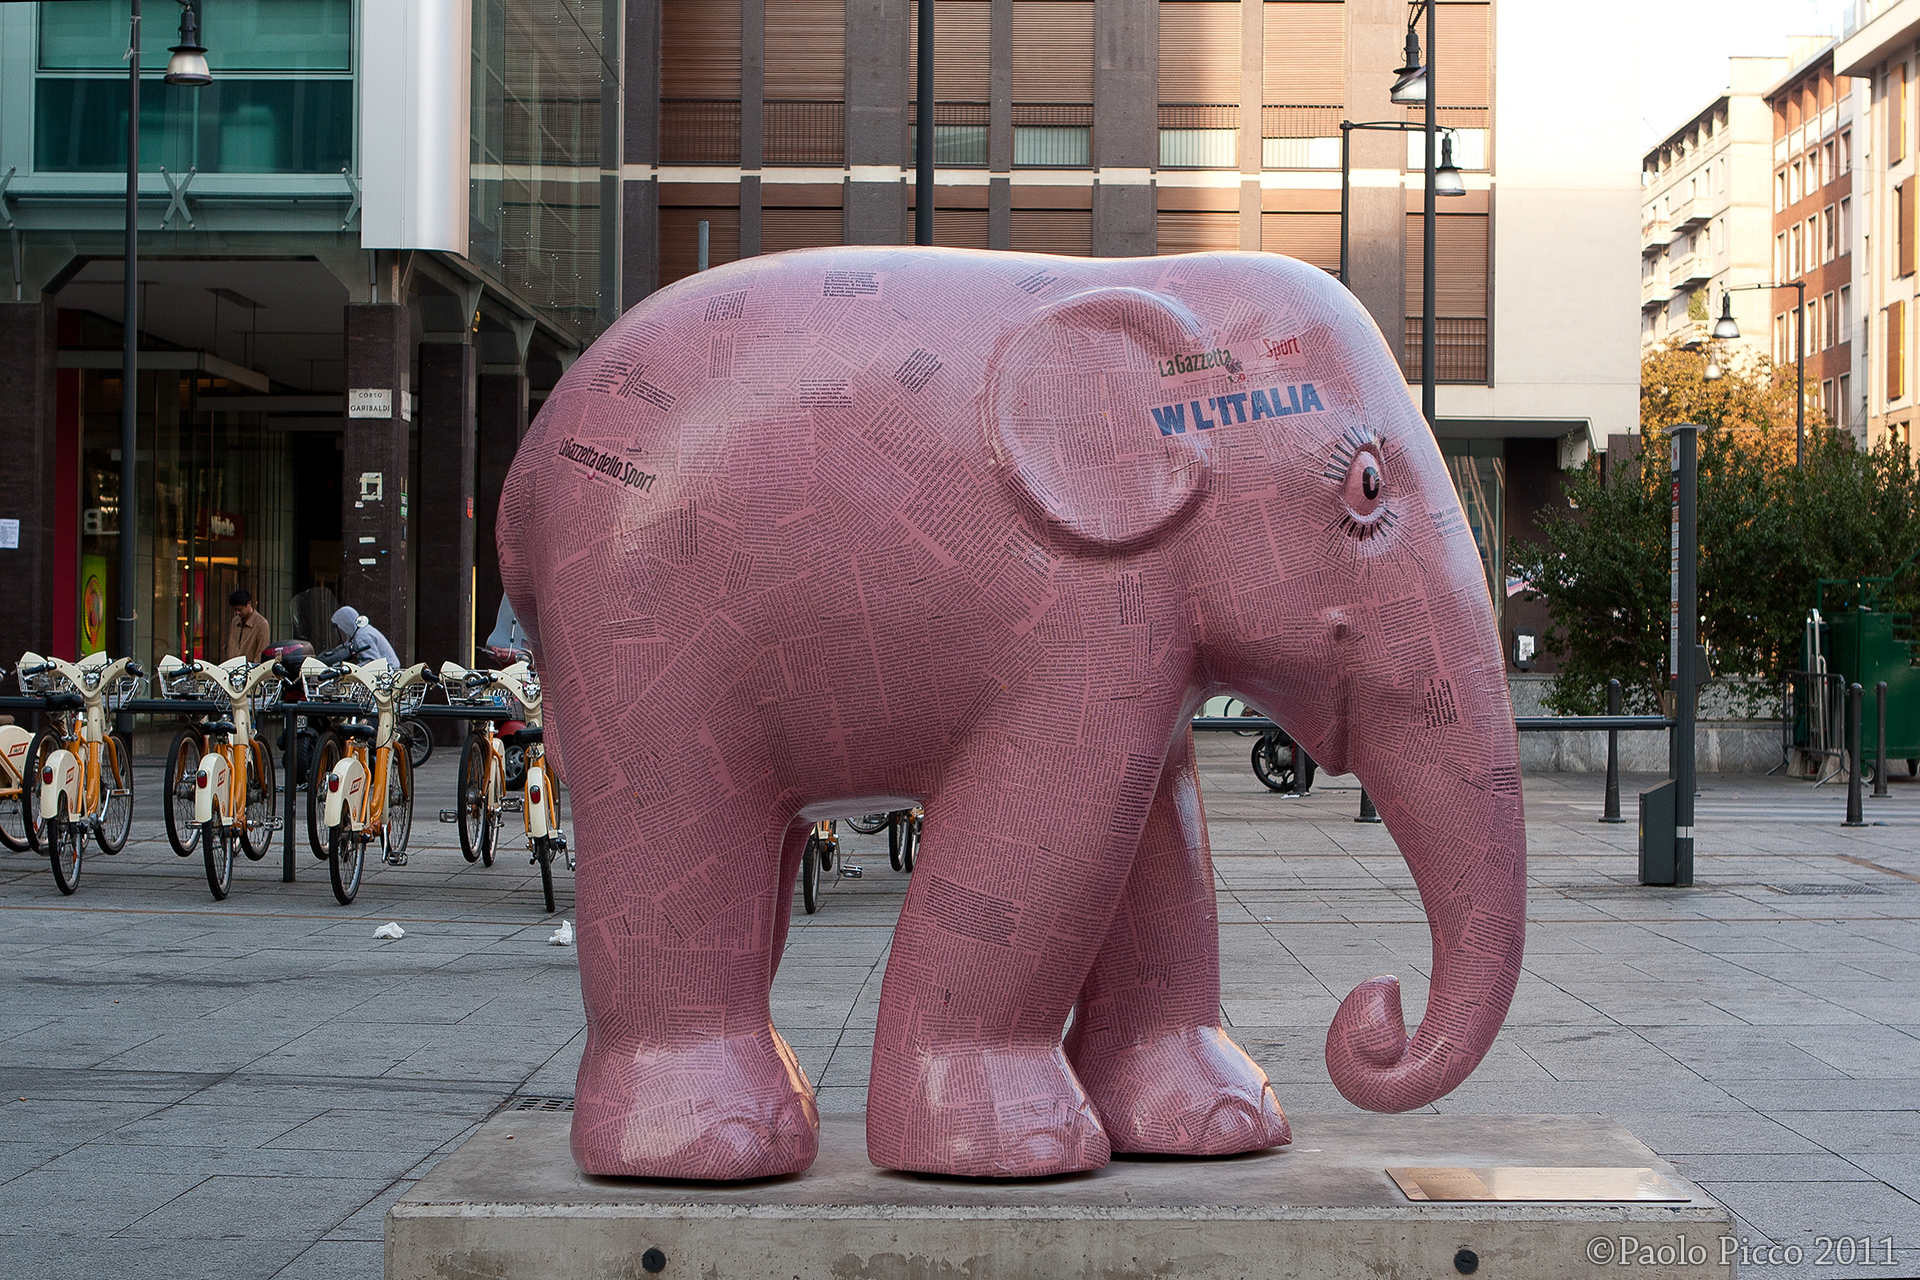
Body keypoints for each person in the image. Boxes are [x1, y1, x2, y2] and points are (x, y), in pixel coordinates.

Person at [330, 605, 401, 668]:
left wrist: (352, 668)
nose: (341, 633)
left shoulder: (362, 636)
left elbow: (372, 662)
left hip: (388, 672)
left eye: (341, 629)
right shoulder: (362, 631)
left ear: (346, 625)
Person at [225, 590, 270, 663]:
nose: (237, 612)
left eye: (240, 609)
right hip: (233, 666)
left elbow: (261, 651)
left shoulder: (261, 624)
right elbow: (231, 645)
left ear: (249, 603)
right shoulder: (235, 621)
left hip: (250, 667)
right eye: (235, 610)